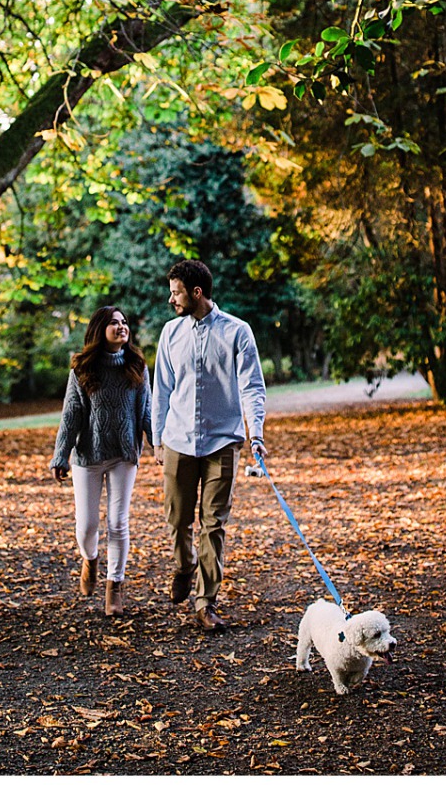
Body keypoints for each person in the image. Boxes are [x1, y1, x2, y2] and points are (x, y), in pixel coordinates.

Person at [151, 259, 267, 631]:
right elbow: (162, 391)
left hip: (223, 442)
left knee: (214, 524)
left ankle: (205, 602)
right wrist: (156, 440)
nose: (171, 300)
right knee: (178, 520)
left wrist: (257, 433)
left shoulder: (237, 332)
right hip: (178, 441)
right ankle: (183, 567)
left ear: (196, 293)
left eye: (176, 292)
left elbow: (252, 386)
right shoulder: (170, 334)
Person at [51, 306, 152, 616]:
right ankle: (90, 557)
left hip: (124, 454)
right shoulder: (82, 370)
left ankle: (114, 587)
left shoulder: (136, 366)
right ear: (99, 329)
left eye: (123, 322)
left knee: (118, 523)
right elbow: (71, 415)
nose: (121, 327)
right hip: (89, 455)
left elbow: (146, 412)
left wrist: (157, 444)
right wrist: (60, 455)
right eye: (113, 323)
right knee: (87, 525)